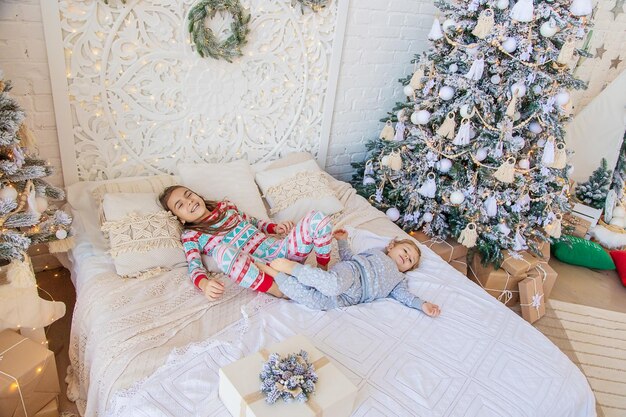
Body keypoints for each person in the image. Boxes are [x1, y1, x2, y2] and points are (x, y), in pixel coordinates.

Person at [159, 185, 333, 300]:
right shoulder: (191, 235)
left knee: (316, 217)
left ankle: (321, 272)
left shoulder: (226, 207)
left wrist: (275, 228)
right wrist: (204, 284)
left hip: (281, 253)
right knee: (221, 252)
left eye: (189, 194)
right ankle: (278, 291)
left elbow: (255, 222)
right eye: (180, 205)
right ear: (180, 219)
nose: (189, 201)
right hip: (261, 269)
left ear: (197, 194)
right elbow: (194, 266)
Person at [261, 229, 441, 316]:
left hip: (354, 298)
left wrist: (422, 305)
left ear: (408, 269)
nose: (406, 258)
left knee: (318, 302)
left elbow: (406, 297)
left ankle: (280, 280)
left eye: (410, 261)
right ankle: (292, 267)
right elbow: (350, 258)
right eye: (406, 251)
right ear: (392, 246)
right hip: (353, 273)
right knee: (333, 284)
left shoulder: (399, 280)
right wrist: (342, 241)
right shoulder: (377, 253)